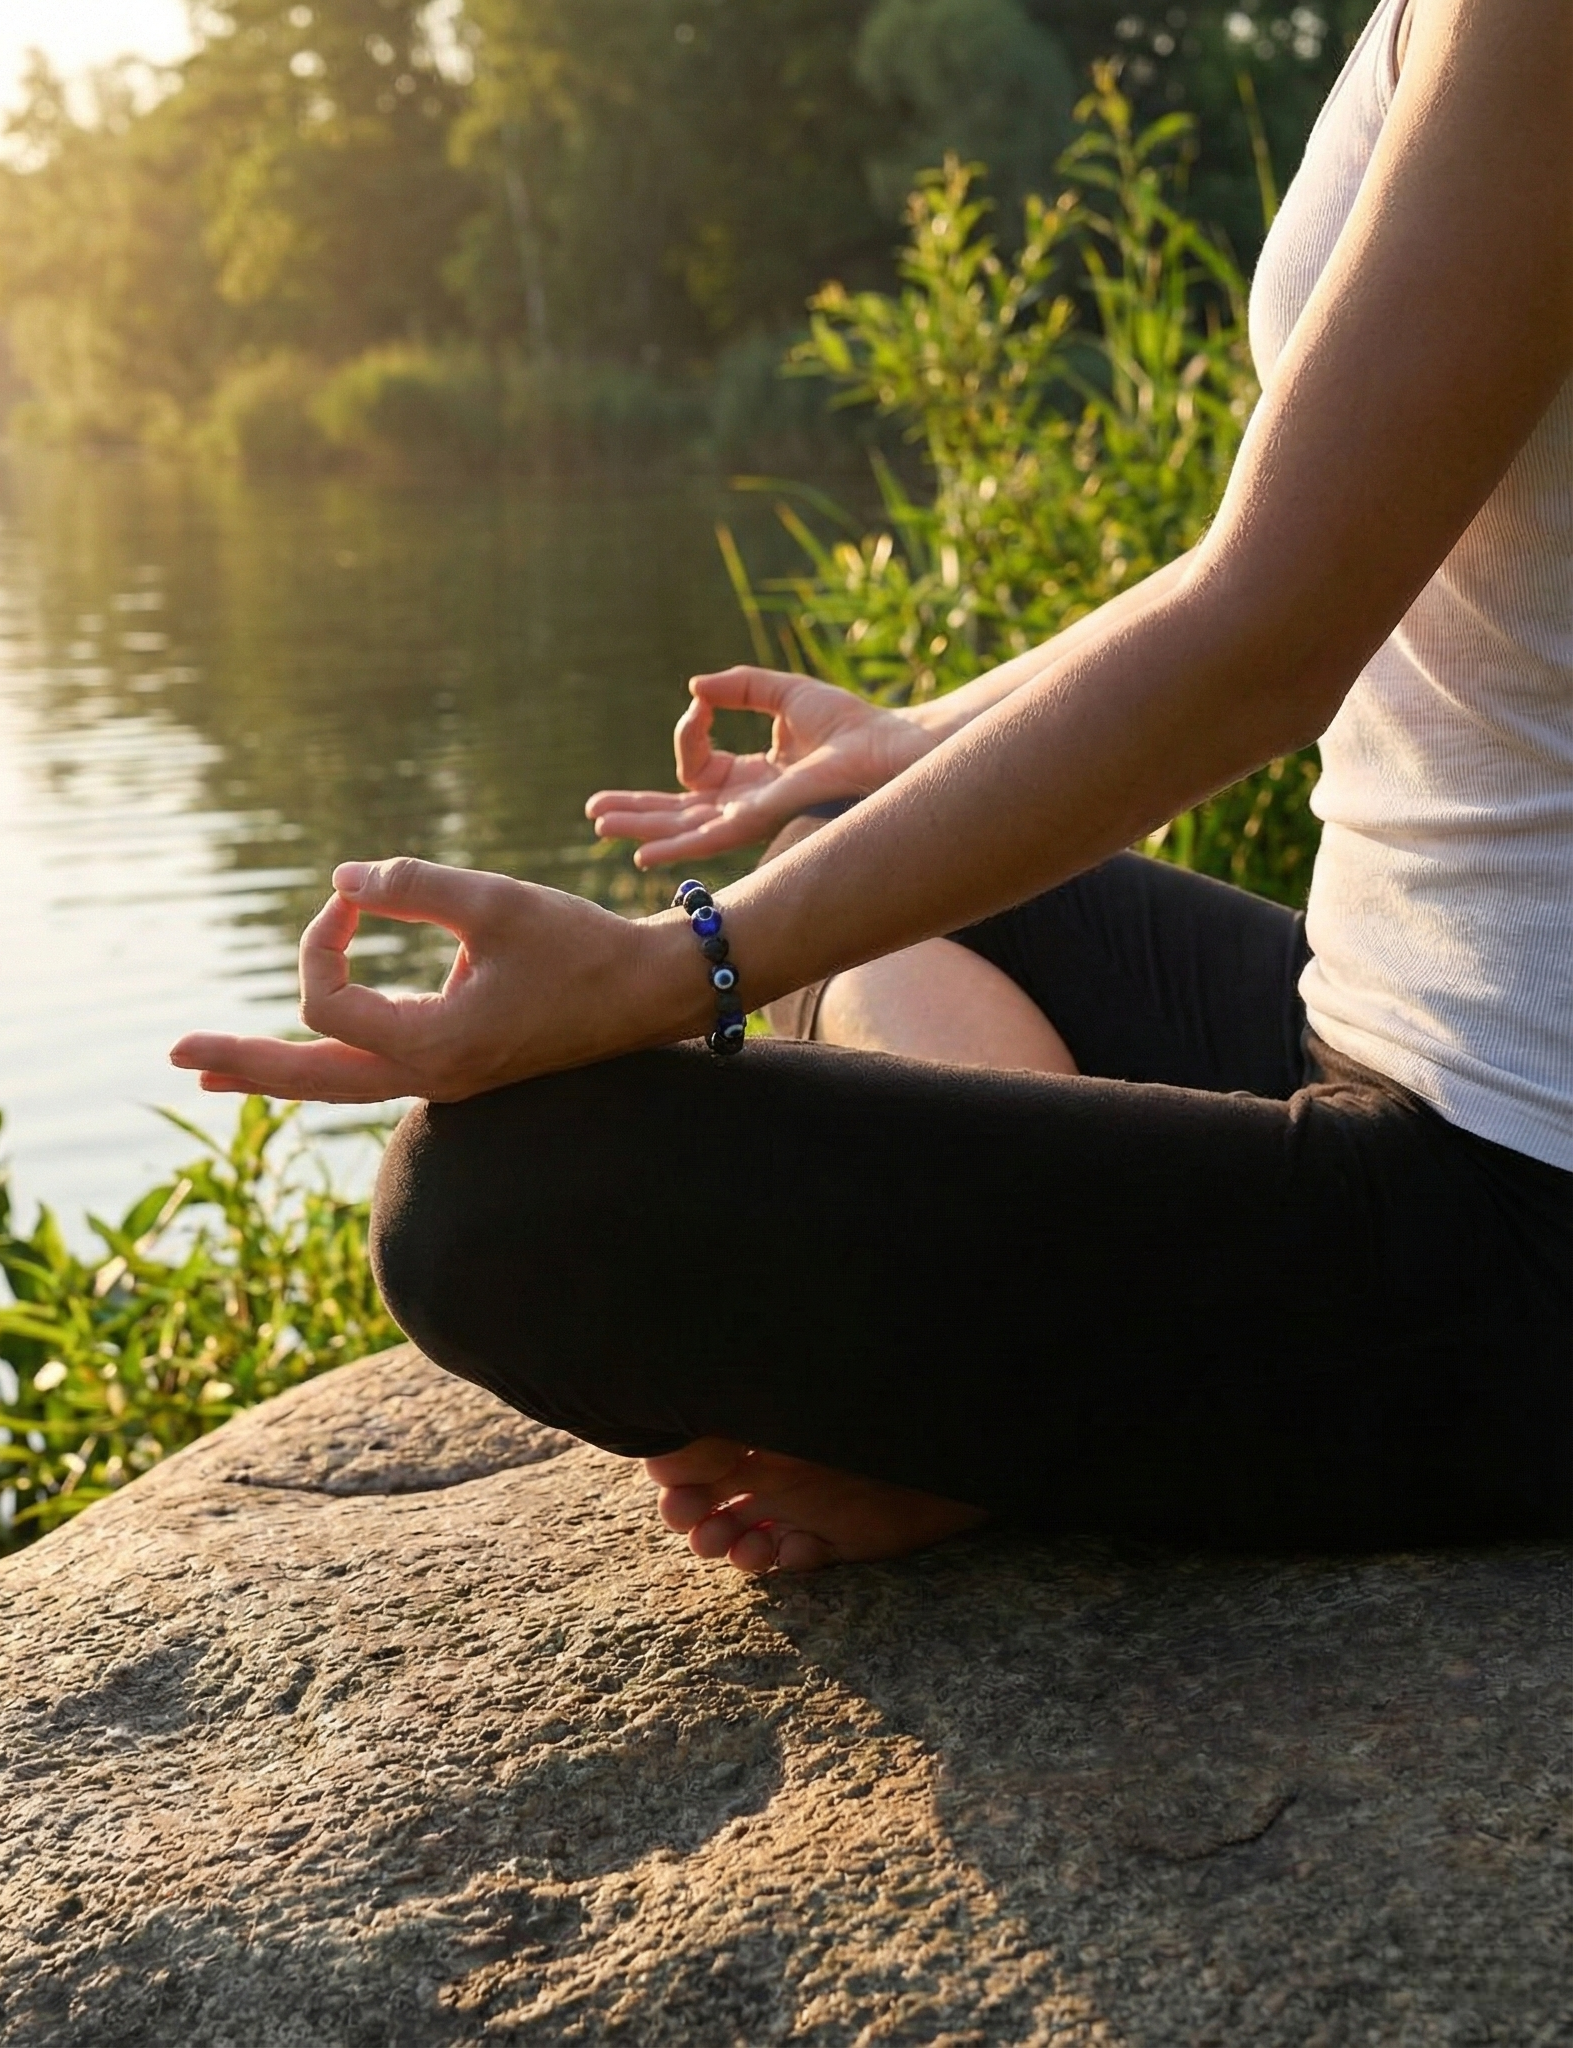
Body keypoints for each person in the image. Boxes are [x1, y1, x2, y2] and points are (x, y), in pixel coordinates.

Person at [172, 0, 1573, 1571]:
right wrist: (921, 735)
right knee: (860, 853)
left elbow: (1275, 633)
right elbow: (1291, 547)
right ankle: (1049, 1387)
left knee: (482, 1204)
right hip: (1380, 1032)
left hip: (1526, 1215)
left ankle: (1021, 1414)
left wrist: (673, 969)